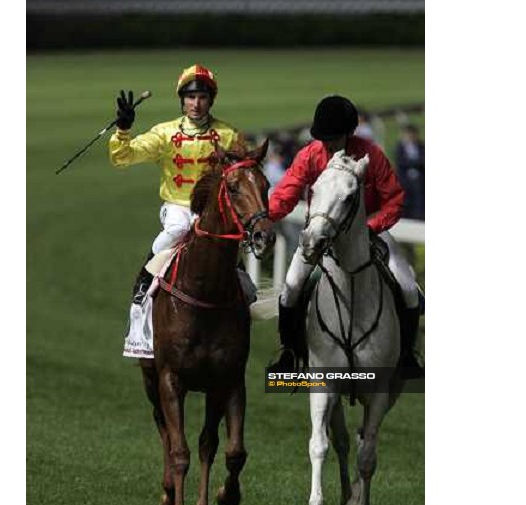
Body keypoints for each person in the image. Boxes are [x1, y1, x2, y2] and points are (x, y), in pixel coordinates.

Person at [268, 95, 423, 375]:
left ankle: (408, 356)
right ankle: (289, 354)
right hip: (319, 235)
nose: (328, 144)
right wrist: (264, 218)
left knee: (408, 287)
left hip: (369, 231)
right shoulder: (309, 154)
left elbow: (394, 200)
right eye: (324, 138)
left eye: (334, 138)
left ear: (350, 133)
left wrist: (370, 228)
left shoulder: (371, 155)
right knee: (291, 286)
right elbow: (286, 193)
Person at [109, 64, 246, 304]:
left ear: (211, 100)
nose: (196, 104)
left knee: (228, 242)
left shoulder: (229, 135)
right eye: (191, 97)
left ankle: (243, 282)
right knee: (177, 230)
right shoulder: (164, 133)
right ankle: (144, 277)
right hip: (178, 206)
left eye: (203, 97)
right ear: (182, 100)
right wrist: (123, 130)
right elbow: (122, 158)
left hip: (213, 208)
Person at [395, 124, 425, 220]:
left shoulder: (421, 146)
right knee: (405, 198)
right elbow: (400, 161)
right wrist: (414, 162)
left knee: (419, 199)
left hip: (419, 177)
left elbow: (423, 160)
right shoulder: (400, 147)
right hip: (405, 178)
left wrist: (411, 162)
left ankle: (419, 217)